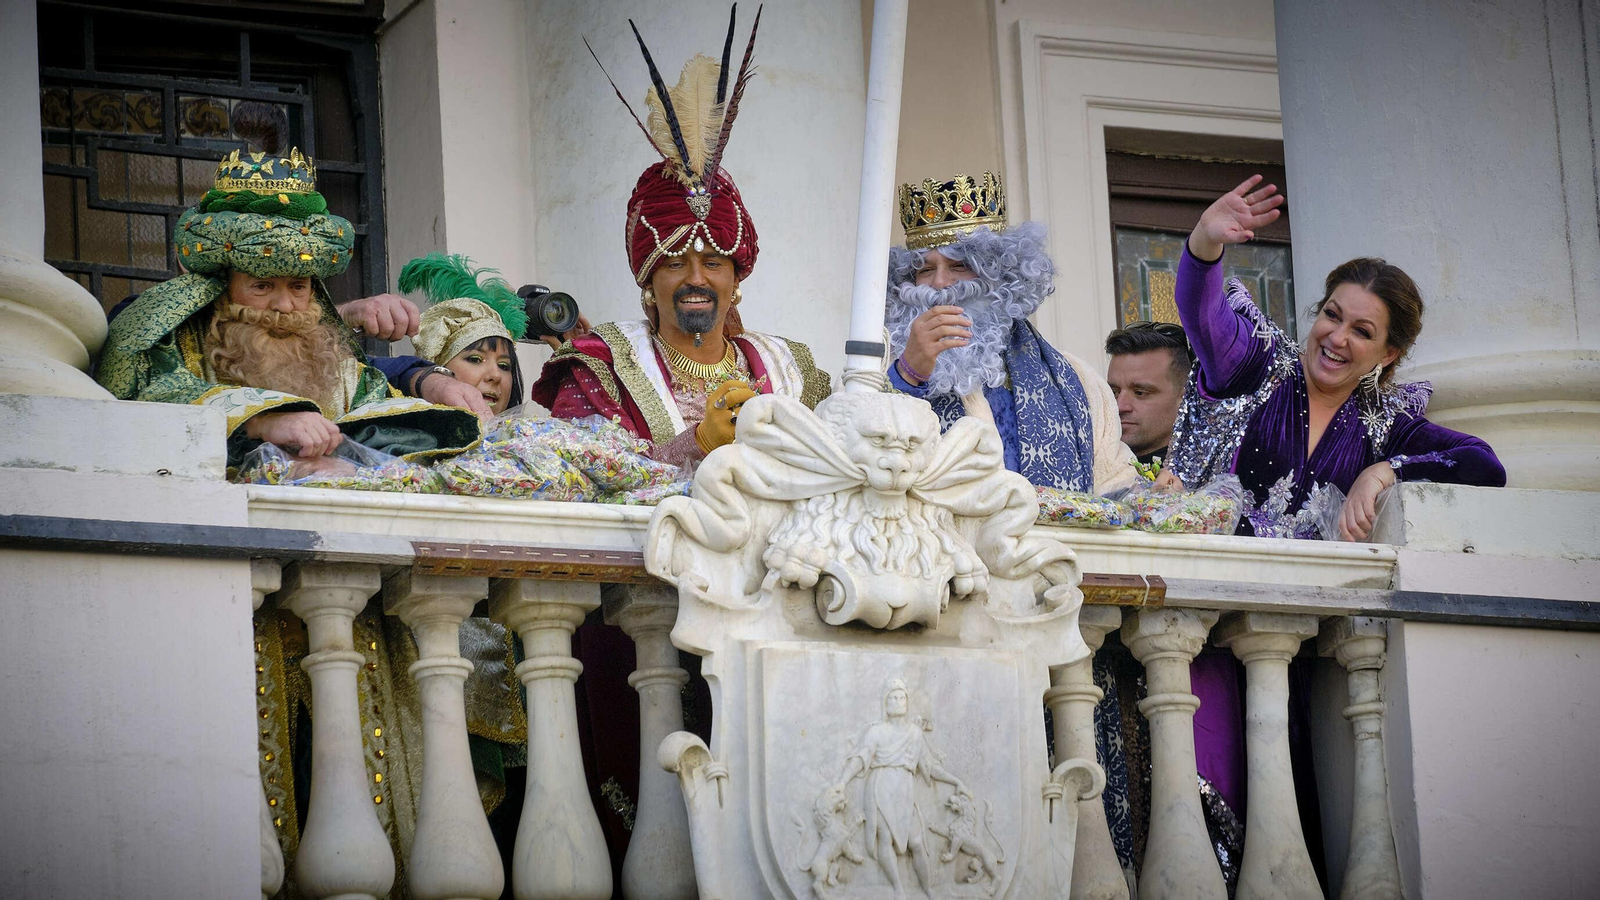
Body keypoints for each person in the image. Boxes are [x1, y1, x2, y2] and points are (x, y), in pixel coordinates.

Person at [532, 10, 830, 467]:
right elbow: (580, 475)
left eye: (713, 262)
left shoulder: (789, 369)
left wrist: (910, 369)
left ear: (736, 278)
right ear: (648, 280)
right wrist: (696, 442)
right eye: (674, 262)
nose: (696, 278)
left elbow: (848, 443)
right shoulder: (601, 365)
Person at [1166, 175, 1506, 539]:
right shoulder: (1257, 364)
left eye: (1362, 332)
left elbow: (1483, 464)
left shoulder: (1383, 422)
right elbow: (1202, 313)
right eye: (1332, 314)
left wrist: (1382, 472)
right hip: (1206, 582)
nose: (1337, 337)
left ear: (1388, 353)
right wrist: (1205, 239)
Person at [95, 148, 480, 468]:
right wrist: (263, 422)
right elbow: (146, 399)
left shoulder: (331, 355)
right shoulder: (165, 338)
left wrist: (432, 394)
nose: (284, 306)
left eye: (299, 287)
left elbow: (379, 414)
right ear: (218, 284)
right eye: (262, 286)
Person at [885, 172, 1137, 495]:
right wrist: (909, 373)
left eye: (959, 266)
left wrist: (1152, 498)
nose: (940, 284)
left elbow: (1114, 485)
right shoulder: (877, 368)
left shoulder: (1080, 382)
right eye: (925, 269)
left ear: (1001, 276)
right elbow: (863, 456)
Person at [395, 252, 534, 416]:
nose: (496, 376)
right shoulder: (401, 439)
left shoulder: (528, 438)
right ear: (438, 369)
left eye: (504, 366)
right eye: (475, 359)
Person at [1105, 321, 1193, 464]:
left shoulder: (1213, 477)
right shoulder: (1086, 470)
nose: (1119, 406)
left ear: (1184, 400)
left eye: (1140, 393)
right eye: (1114, 392)